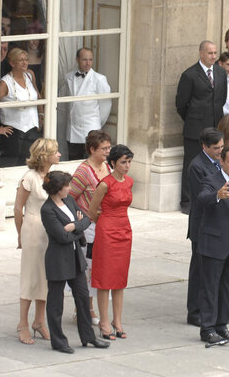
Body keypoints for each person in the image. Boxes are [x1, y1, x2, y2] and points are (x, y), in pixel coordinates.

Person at [40, 171, 110, 353]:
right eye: (66, 186)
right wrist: (77, 229)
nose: (70, 188)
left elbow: (86, 220)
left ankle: (88, 336)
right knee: (56, 302)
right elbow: (62, 237)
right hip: (58, 260)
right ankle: (58, 341)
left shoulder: (69, 201)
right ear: (57, 189)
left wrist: (74, 226)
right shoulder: (47, 209)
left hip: (75, 257)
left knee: (82, 296)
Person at [195, 144, 229, 344]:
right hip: (213, 243)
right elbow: (201, 199)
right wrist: (217, 195)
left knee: (227, 286)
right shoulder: (212, 181)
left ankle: (222, 325)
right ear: (222, 161)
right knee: (210, 287)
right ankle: (207, 329)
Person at [14, 138, 60, 345]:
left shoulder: (51, 177)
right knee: (31, 276)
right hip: (33, 228)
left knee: (46, 277)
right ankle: (22, 324)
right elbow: (17, 209)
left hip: (51, 231)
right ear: (45, 156)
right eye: (55, 152)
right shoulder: (29, 177)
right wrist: (20, 234)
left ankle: (39, 322)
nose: (59, 154)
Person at [175, 41, 228, 213]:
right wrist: (193, 119)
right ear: (201, 54)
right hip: (194, 130)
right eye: (210, 53)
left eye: (215, 53)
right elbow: (181, 104)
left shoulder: (220, 72)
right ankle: (187, 202)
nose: (213, 56)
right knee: (191, 164)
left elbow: (222, 98)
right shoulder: (189, 75)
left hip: (215, 127)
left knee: (215, 163)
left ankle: (212, 195)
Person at [89, 144, 134, 340]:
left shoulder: (129, 181)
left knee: (119, 278)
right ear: (113, 163)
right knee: (104, 278)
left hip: (124, 230)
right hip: (107, 230)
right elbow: (92, 210)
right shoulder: (105, 184)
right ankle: (104, 321)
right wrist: (104, 224)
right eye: (123, 162)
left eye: (129, 162)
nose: (127, 166)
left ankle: (118, 320)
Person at [68, 130, 112, 327]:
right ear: (92, 149)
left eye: (108, 148)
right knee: (87, 268)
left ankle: (89, 306)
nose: (107, 152)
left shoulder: (107, 166)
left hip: (105, 226)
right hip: (89, 227)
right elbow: (69, 197)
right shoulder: (83, 171)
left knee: (99, 269)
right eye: (103, 148)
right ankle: (84, 308)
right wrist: (81, 218)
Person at [184, 128, 224, 327]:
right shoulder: (197, 166)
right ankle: (195, 311)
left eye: (222, 147)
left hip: (218, 223)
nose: (220, 151)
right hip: (202, 225)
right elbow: (202, 197)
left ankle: (213, 307)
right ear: (204, 147)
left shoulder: (220, 163)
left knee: (214, 270)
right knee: (199, 270)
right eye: (216, 148)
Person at [60, 48, 112, 161]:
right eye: (84, 60)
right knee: (73, 162)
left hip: (90, 128)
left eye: (90, 60)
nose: (88, 63)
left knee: (91, 162)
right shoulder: (69, 77)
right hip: (72, 129)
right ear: (77, 60)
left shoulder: (99, 79)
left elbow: (105, 106)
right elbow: (66, 105)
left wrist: (96, 123)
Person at [0, 47, 42, 167]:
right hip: (14, 133)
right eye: (21, 60)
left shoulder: (30, 75)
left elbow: (38, 96)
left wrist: (41, 116)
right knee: (13, 166)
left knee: (31, 165)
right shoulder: (5, 82)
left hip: (32, 130)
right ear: (12, 63)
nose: (25, 63)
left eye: (26, 59)